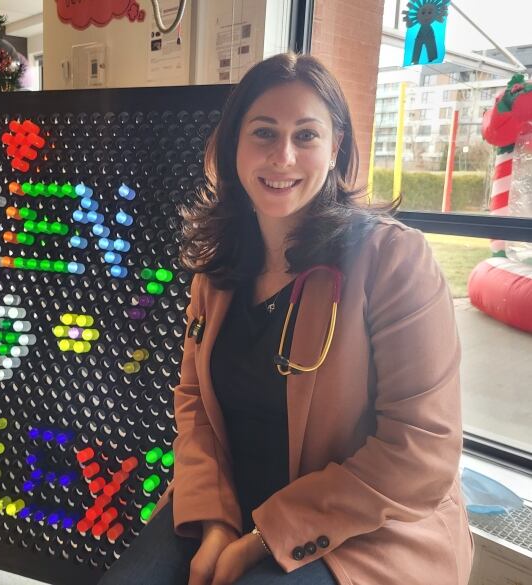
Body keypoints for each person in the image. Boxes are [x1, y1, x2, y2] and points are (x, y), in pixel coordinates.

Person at [98, 53, 473, 585]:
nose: (283, 156)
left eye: (306, 136)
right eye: (264, 133)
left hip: (362, 527)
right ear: (233, 146)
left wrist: (266, 535)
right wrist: (214, 522)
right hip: (234, 497)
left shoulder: (393, 260)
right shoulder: (221, 262)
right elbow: (194, 404)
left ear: (335, 147)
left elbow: (422, 452)